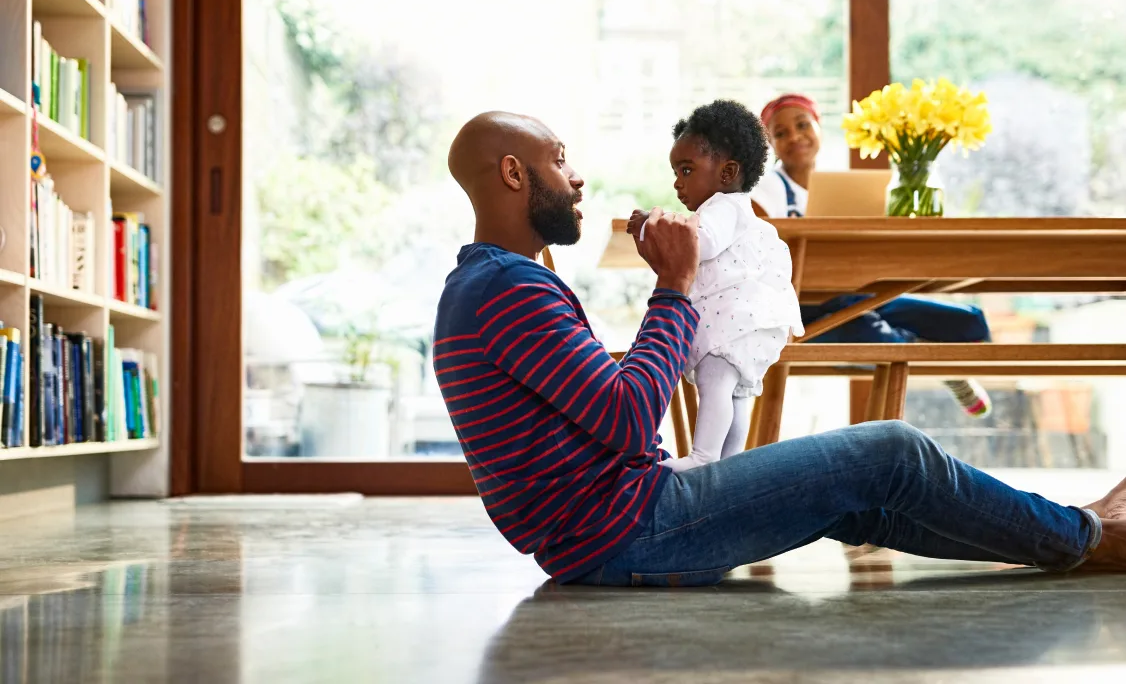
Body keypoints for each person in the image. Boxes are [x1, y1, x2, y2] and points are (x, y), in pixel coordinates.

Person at [433, 109, 1126, 587]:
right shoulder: (506, 288)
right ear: (514, 175)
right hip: (632, 531)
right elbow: (627, 418)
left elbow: (603, 417)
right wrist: (675, 285)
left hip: (614, 527)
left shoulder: (492, 283)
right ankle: (1090, 539)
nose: (576, 177)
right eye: (558, 161)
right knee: (889, 449)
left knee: (862, 498)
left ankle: (1071, 533)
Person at [752, 93, 993, 419]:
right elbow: (756, 251)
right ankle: (933, 361)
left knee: (969, 322)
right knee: (869, 334)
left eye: (802, 125)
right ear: (770, 144)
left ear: (819, 127)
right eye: (780, 133)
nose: (794, 136)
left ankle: (918, 349)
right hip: (803, 306)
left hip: (856, 294)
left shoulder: (847, 187)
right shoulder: (766, 189)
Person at [626, 101, 804, 472]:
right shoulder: (734, 207)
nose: (677, 182)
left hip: (732, 321)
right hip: (744, 322)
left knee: (715, 383)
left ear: (727, 173)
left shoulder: (722, 207)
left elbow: (697, 245)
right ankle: (728, 465)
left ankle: (704, 456)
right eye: (675, 171)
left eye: (686, 170)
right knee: (734, 393)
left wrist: (651, 225)